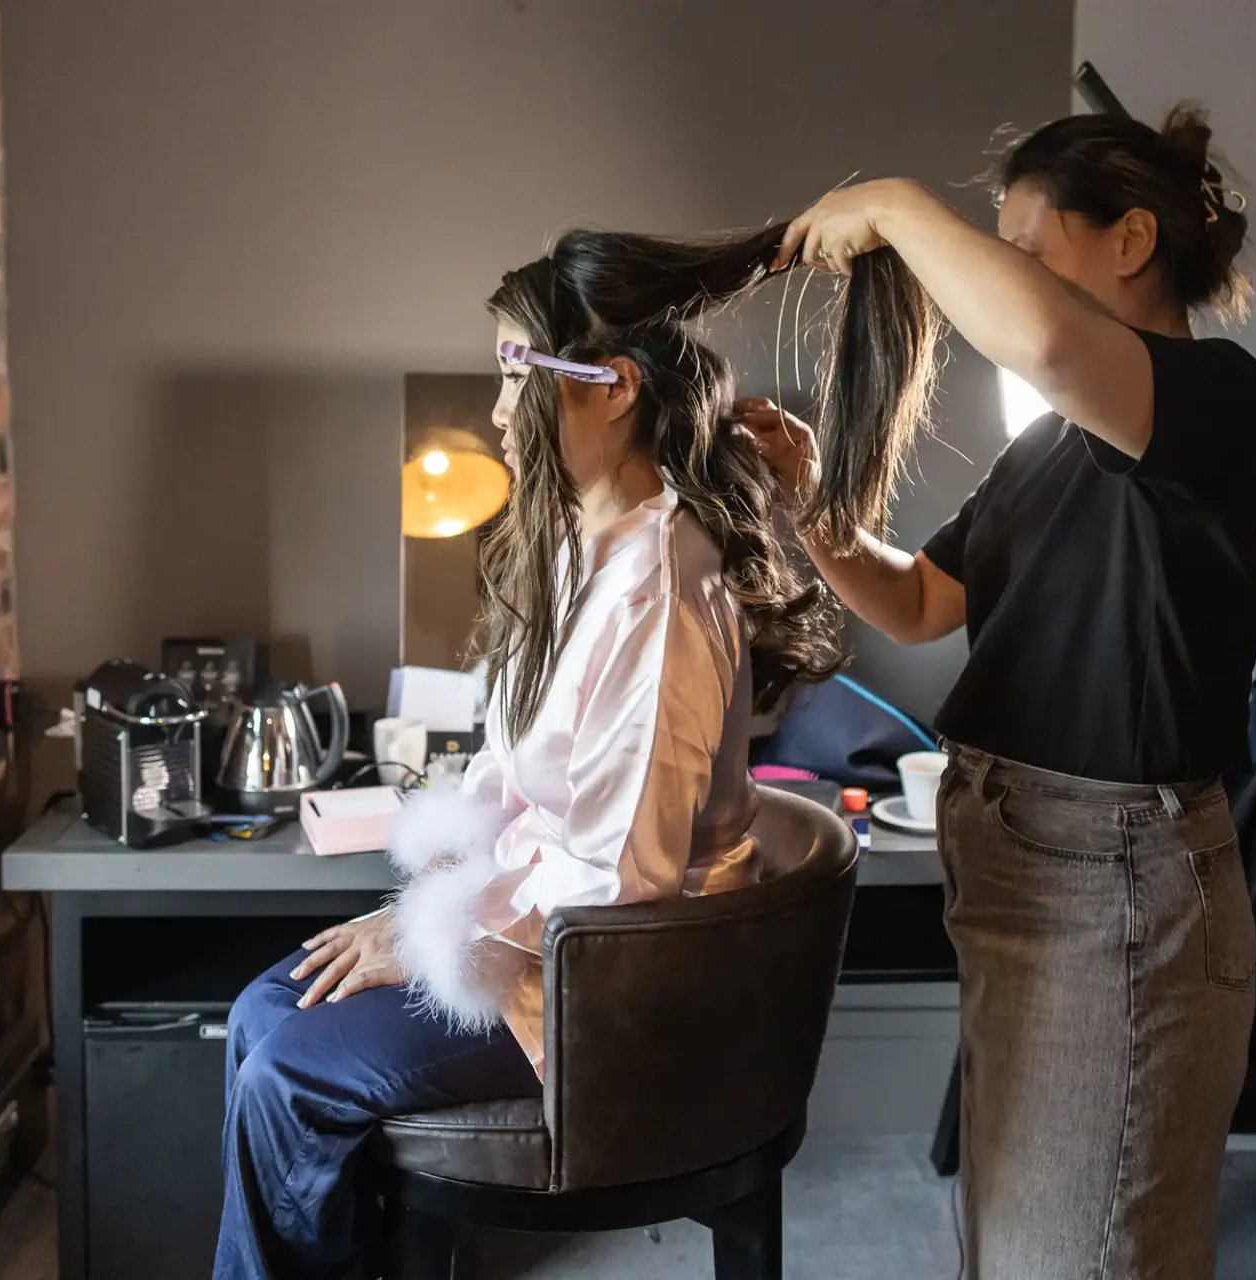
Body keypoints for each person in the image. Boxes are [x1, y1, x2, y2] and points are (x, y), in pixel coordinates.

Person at [210, 226, 884, 1280]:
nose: (494, 414)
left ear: (612, 388)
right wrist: (423, 900)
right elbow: (521, 771)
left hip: (613, 983)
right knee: (264, 1009)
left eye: (511, 375)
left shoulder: (660, 590)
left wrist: (435, 929)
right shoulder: (585, 544)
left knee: (286, 1071)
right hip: (552, 929)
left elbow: (622, 874)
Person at [733, 106, 1256, 1279]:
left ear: (1131, 239)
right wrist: (803, 499)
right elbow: (922, 603)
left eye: (1028, 247)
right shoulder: (1048, 449)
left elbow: (1041, 344)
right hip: (1015, 859)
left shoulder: (1224, 400)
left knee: (1081, 1247)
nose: (1001, 276)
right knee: (1021, 1228)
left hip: (1117, 882)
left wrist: (889, 198)